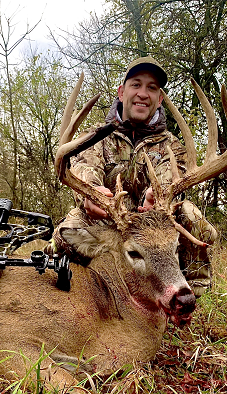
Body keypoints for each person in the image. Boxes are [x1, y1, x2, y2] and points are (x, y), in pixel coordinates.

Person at [46, 56, 218, 297]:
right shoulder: (95, 135)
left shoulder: (172, 144)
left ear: (159, 100)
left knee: (191, 215)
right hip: (110, 222)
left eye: (152, 88)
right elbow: (85, 168)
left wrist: (158, 196)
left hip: (154, 229)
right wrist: (92, 194)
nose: (143, 93)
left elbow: (172, 177)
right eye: (136, 84)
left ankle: (190, 296)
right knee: (69, 230)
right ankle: (77, 293)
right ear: (121, 92)